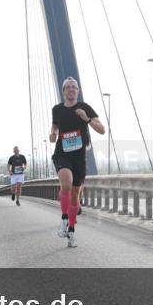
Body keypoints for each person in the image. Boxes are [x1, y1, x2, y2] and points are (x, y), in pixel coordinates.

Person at [50, 77, 105, 247]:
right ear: (63, 91)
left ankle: (71, 232)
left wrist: (86, 118)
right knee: (66, 184)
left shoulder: (85, 107)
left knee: (75, 196)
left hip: (79, 157)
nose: (71, 89)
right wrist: (53, 133)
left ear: (78, 91)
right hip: (62, 154)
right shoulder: (57, 109)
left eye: (74, 87)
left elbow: (102, 130)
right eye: (68, 87)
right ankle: (64, 220)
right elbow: (55, 125)